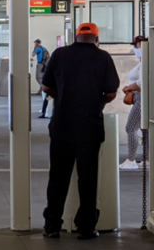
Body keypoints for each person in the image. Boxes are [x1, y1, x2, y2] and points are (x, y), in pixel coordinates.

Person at [40, 23, 119, 240]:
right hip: (90, 128)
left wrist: (63, 97)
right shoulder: (103, 57)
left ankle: (52, 226)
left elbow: (46, 86)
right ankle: (85, 227)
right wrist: (96, 102)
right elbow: (111, 92)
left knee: (57, 178)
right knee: (88, 179)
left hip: (62, 127)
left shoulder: (59, 54)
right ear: (96, 38)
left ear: (76, 36)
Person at [120, 36, 150, 170]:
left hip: (142, 98)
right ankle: (147, 158)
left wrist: (129, 87)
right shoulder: (143, 61)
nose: (135, 48)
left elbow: (143, 82)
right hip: (140, 97)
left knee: (130, 127)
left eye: (137, 45)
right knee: (145, 129)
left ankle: (131, 159)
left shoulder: (147, 61)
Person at [33, 39, 51, 118]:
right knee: (42, 77)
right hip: (45, 65)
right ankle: (42, 88)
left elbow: (33, 55)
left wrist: (34, 48)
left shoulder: (38, 48)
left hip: (40, 64)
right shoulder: (44, 48)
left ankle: (42, 88)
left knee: (38, 77)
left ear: (37, 43)